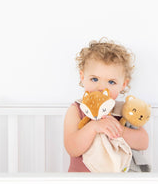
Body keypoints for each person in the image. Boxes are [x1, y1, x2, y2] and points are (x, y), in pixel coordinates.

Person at [63, 38, 149, 172]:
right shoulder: (76, 110)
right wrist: (93, 127)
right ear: (82, 77)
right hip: (82, 180)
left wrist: (118, 130)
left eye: (111, 82)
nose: (101, 87)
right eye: (94, 79)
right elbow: (72, 148)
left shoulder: (124, 111)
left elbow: (143, 142)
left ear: (123, 84)